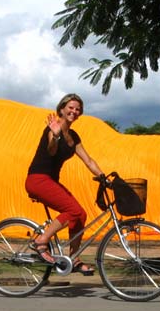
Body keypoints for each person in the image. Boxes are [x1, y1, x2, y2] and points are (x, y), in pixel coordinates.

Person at [25, 93, 104, 276]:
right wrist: (55, 134)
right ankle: (41, 241)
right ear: (61, 109)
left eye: (77, 109)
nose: (74, 111)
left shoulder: (73, 136)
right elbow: (51, 151)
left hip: (51, 181)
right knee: (73, 211)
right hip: (38, 179)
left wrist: (104, 177)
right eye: (71, 108)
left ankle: (74, 259)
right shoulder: (53, 129)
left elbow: (88, 160)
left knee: (81, 215)